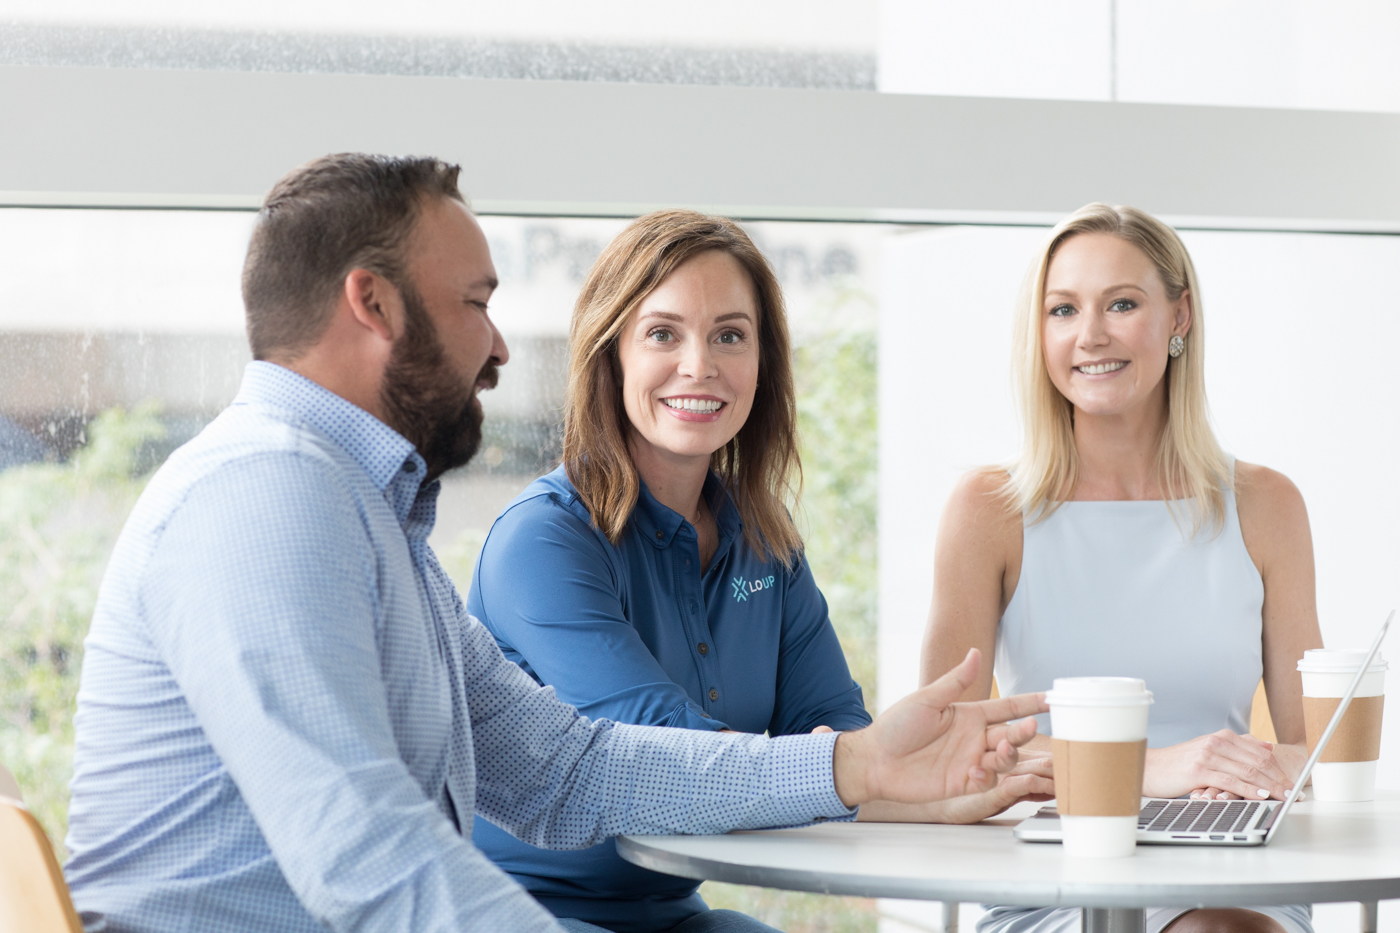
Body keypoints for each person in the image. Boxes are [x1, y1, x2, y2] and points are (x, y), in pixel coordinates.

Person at [63, 153, 1047, 933]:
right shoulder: (265, 497)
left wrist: (854, 766)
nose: (498, 346)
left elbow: (568, 771)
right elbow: (367, 859)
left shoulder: (362, 512)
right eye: (475, 302)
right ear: (374, 305)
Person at [468, 211, 1051, 933]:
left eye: (730, 335)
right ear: (609, 353)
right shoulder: (542, 541)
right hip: (521, 913)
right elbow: (669, 755)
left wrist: (938, 791)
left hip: (670, 913)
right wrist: (867, 768)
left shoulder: (764, 541)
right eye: (662, 333)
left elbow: (837, 735)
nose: (699, 365)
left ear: (763, 360)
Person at [920, 203, 1323, 933]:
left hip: (1230, 871)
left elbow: (1310, 749)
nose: (1090, 335)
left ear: (1179, 316)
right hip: (1055, 873)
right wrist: (1154, 768)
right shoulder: (990, 510)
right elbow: (943, 744)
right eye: (1063, 309)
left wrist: (1280, 770)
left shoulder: (1267, 505)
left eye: (1122, 304)